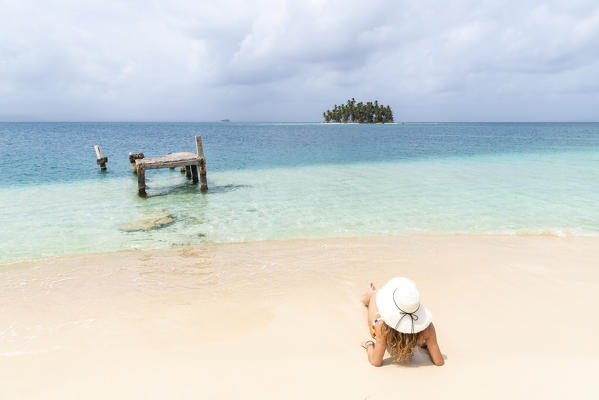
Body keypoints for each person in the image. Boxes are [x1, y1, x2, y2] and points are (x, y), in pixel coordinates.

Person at [361, 277, 444, 367]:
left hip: (383, 332)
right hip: (407, 335)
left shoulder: (382, 327)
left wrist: (369, 345)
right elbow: (439, 362)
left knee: (374, 296)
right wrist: (427, 344)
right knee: (376, 297)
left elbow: (375, 362)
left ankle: (372, 293)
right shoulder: (427, 328)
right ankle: (373, 293)